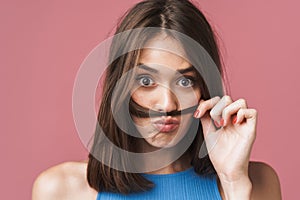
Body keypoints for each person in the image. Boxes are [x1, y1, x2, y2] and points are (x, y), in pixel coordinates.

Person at [32, 0, 282, 199]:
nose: (167, 104)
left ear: (205, 89)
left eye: (185, 81)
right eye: (146, 82)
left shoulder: (256, 183)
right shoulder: (61, 190)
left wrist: (233, 184)